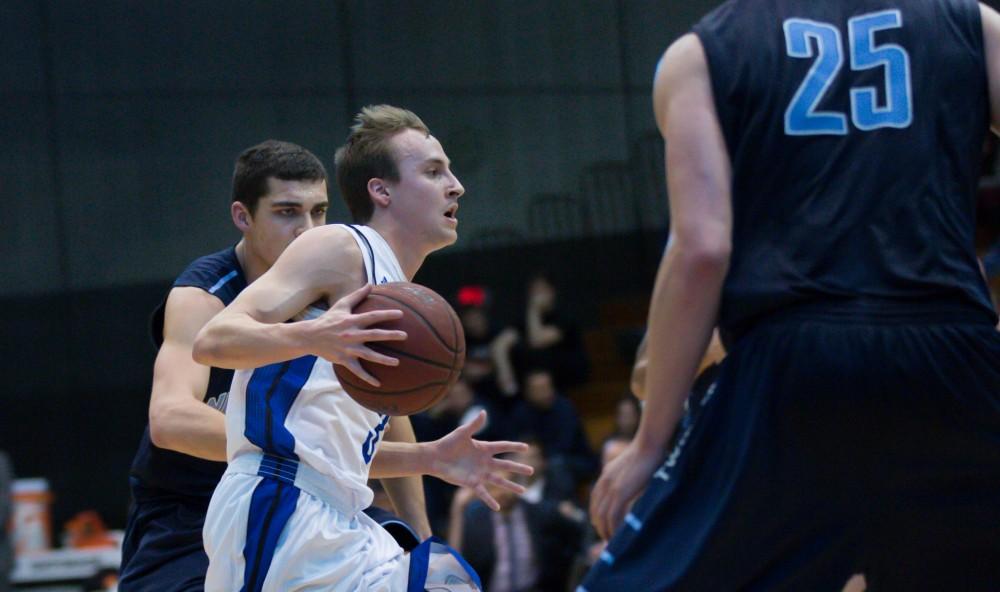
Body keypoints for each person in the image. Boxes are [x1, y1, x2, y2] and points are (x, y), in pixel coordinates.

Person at [585, 1, 1000, 590]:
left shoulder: (700, 53)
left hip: (791, 364)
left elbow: (702, 249)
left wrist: (650, 444)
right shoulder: (972, 23)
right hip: (952, 351)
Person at [192, 105, 533, 590]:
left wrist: (429, 462)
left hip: (337, 509)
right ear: (381, 190)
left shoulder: (397, 289)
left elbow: (331, 453)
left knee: (446, 579)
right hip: (278, 504)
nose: (456, 185)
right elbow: (213, 341)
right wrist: (313, 336)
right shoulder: (340, 247)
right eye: (434, 172)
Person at [119, 140, 432, 591]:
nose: (307, 230)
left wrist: (420, 531)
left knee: (430, 574)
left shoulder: (333, 283)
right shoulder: (202, 297)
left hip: (303, 501)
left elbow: (382, 403)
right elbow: (170, 420)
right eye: (287, 212)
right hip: (189, 511)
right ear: (243, 217)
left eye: (319, 212)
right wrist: (287, 451)